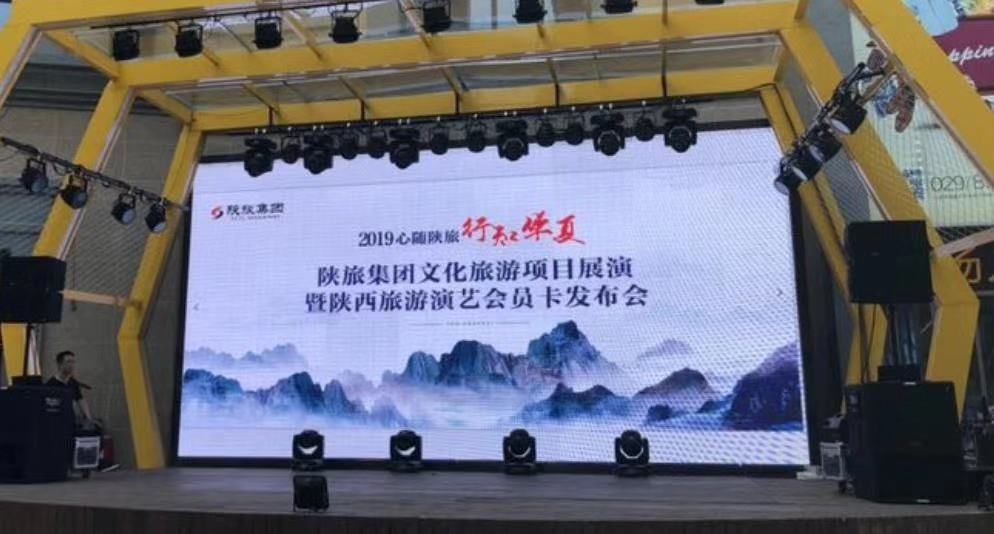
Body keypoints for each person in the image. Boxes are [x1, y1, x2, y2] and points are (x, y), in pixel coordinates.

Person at [46, 350, 93, 422]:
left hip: (72, 421)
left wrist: (89, 418)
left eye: (73, 362)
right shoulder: (50, 385)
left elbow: (80, 399)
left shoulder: (73, 382)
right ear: (60, 364)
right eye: (68, 362)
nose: (72, 365)